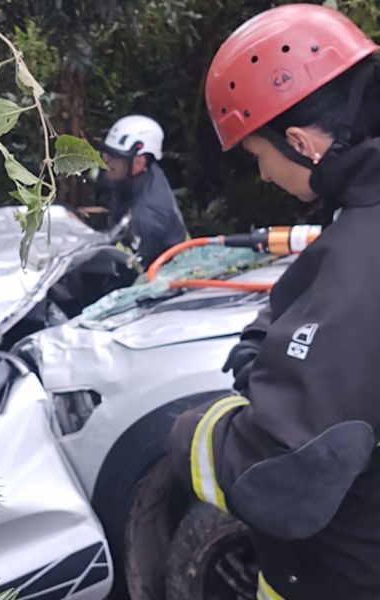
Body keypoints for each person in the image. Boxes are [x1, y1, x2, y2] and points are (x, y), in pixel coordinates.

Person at [169, 4, 380, 599]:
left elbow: (282, 473)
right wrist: (273, 335)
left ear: (300, 141)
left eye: (258, 156)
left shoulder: (365, 252)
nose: (262, 176)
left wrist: (194, 432)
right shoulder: (360, 218)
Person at [95, 114, 187, 269]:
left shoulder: (145, 217)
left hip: (160, 277)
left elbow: (123, 268)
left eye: (115, 156)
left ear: (139, 161)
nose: (106, 159)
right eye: (106, 153)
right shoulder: (140, 176)